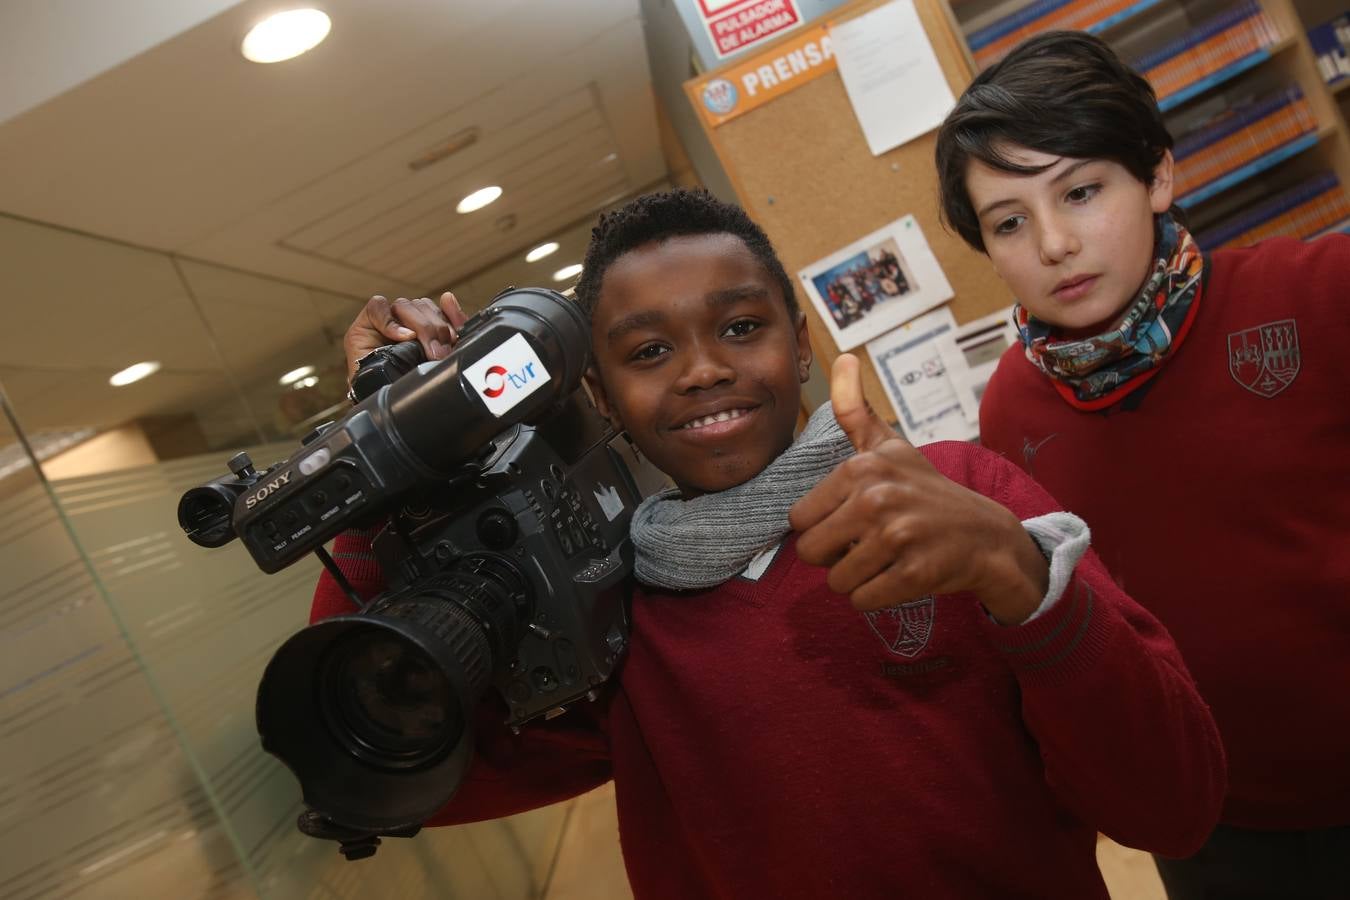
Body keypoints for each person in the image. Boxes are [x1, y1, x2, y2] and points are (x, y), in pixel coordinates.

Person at [315, 189, 1225, 898]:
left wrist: (1018, 574)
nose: (705, 368)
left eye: (741, 328)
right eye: (647, 352)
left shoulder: (958, 493)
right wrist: (391, 464)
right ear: (597, 392)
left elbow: (1173, 805)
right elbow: (386, 770)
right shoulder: (602, 607)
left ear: (799, 340)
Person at [934, 30, 1350, 899]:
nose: (1053, 243)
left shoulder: (1314, 294)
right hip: (1211, 823)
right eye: (1010, 221)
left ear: (1157, 176)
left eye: (1081, 191)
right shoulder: (1012, 407)